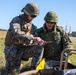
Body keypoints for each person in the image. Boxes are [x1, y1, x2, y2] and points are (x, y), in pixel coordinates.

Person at [4, 2, 44, 75]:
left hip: (23, 49)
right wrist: (33, 38)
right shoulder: (16, 21)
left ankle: (33, 70)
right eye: (32, 15)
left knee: (39, 48)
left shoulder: (33, 27)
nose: (33, 18)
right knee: (12, 73)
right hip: (12, 50)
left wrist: (39, 42)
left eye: (35, 16)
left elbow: (34, 40)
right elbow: (17, 33)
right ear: (26, 13)